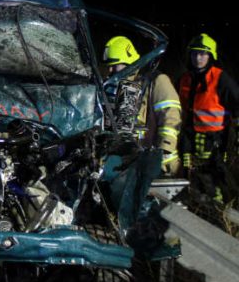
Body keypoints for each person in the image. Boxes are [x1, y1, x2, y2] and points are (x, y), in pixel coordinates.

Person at [102, 36, 182, 176]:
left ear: (128, 62)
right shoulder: (119, 87)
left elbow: (171, 118)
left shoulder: (156, 81)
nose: (110, 70)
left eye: (115, 65)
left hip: (160, 166)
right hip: (130, 164)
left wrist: (162, 152)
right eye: (108, 65)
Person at [178, 33, 239, 203]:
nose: (198, 57)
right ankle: (196, 209)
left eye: (203, 54)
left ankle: (218, 214)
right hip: (189, 139)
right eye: (195, 53)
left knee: (215, 179)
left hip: (215, 141)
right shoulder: (184, 79)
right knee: (190, 177)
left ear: (211, 55)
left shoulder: (221, 79)